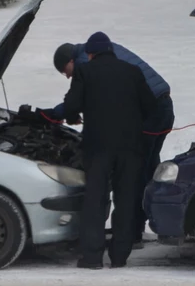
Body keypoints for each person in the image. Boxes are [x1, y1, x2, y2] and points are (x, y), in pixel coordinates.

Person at [44, 39, 175, 246]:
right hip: (162, 105)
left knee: (137, 172)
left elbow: (80, 98)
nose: (67, 75)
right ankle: (157, 223)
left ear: (70, 60)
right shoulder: (101, 50)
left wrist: (57, 113)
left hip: (152, 111)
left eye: (64, 70)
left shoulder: (86, 62)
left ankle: (134, 232)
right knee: (149, 168)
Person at [62, 32, 155, 269]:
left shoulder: (85, 71)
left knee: (95, 199)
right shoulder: (132, 72)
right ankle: (119, 256)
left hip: (98, 147)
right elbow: (150, 106)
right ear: (111, 51)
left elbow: (71, 105)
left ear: (91, 53)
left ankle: (92, 257)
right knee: (125, 200)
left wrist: (73, 116)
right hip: (129, 148)